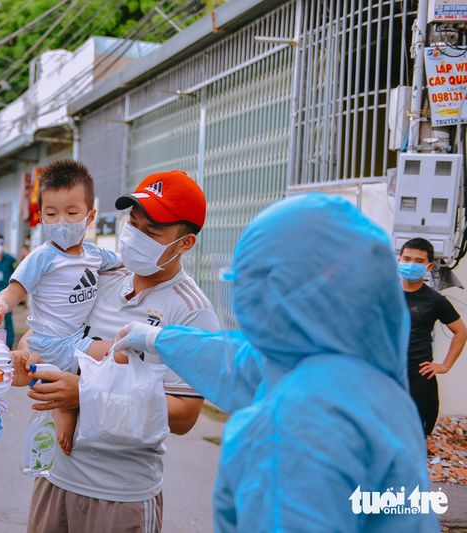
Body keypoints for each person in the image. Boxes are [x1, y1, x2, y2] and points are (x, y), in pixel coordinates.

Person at [113, 194, 438, 531]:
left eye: (251, 284)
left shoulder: (291, 428)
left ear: (280, 292)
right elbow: (245, 364)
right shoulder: (372, 381)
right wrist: (158, 338)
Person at [19, 170, 218, 532]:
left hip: (120, 494)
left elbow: (185, 415)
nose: (135, 237)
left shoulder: (192, 311)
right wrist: (24, 358)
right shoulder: (100, 275)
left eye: (152, 232)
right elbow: (42, 332)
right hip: (55, 476)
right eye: (133, 223)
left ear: (184, 243)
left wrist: (85, 394)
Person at [0, 160, 120, 453]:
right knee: (62, 396)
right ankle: (59, 422)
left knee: (118, 353)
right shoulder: (42, 257)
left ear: (90, 216)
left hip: (76, 341)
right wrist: (0, 306)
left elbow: (125, 265)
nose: (61, 221)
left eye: (72, 213)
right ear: (41, 216)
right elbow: (15, 288)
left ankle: (68, 416)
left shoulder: (96, 255)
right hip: (47, 342)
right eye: (51, 213)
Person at [398, 237, 467, 436]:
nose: (411, 264)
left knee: (417, 429)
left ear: (428, 267)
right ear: (399, 261)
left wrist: (444, 365)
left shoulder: (435, 300)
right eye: (407, 258)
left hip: (418, 375)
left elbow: (461, 331)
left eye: (418, 261)